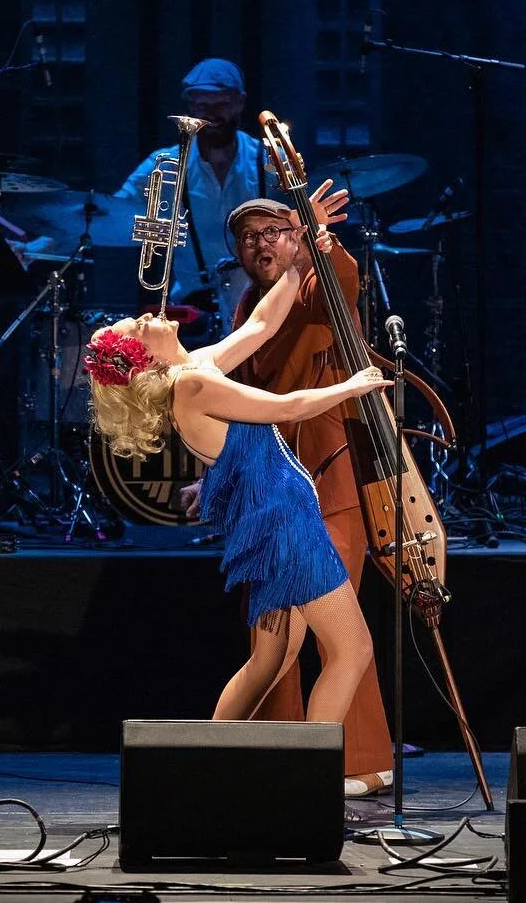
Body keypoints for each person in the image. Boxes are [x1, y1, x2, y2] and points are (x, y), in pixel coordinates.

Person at [86, 187, 390, 724]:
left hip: (274, 524)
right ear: (145, 360)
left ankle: (213, 762)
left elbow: (260, 325)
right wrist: (353, 386)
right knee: (351, 650)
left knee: (270, 659)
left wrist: (298, 255)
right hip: (287, 529)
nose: (148, 316)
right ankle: (307, 777)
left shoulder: (195, 368)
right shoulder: (193, 388)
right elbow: (288, 407)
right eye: (138, 327)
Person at [181, 197, 396, 798]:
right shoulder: (249, 307)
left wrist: (315, 241)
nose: (261, 245)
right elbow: (245, 407)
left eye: (273, 232)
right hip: (272, 493)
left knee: (338, 635)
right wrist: (219, 476)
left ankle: (358, 761)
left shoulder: (317, 278)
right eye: (248, 238)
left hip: (325, 476)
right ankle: (273, 758)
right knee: (280, 645)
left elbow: (343, 280)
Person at [111, 57, 277, 335]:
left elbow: (301, 222)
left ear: (240, 102)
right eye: (201, 105)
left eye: (220, 104)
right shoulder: (164, 164)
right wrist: (44, 243)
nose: (210, 114)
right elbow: (109, 214)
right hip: (193, 312)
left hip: (267, 304)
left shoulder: (270, 160)